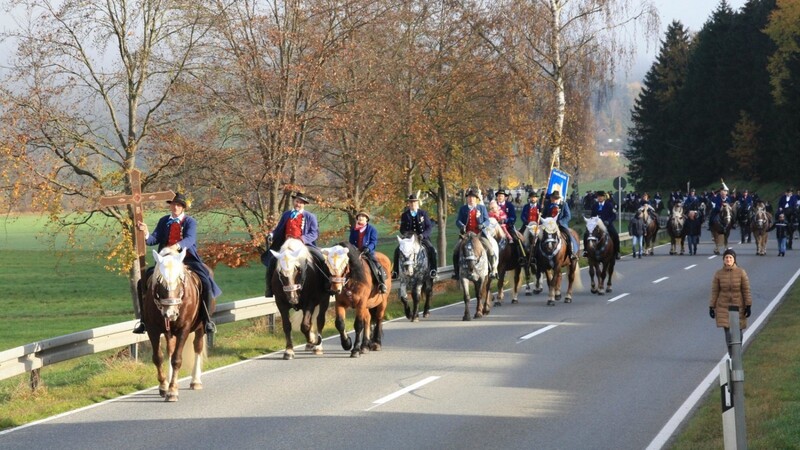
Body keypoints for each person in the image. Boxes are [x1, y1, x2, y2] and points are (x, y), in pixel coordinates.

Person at [134, 193, 222, 334]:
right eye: (173, 204)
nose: (175, 207)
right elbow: (153, 240)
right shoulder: (164, 221)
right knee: (142, 282)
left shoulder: (190, 222)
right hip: (166, 261)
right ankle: (144, 320)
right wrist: (145, 233)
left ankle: (206, 320)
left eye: (178, 205)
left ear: (183, 208)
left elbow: (190, 239)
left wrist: (177, 246)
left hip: (186, 259)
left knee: (205, 280)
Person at [261, 192, 321, 298]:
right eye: (297, 201)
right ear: (294, 201)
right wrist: (271, 234)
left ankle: (325, 284)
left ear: (304, 204)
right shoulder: (286, 214)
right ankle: (269, 288)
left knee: (320, 257)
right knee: (272, 262)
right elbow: (279, 229)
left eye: (301, 202)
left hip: (304, 245)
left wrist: (302, 239)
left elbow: (314, 233)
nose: (298, 204)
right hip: (286, 246)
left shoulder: (310, 216)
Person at [709, 248, 752, 357]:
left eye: (730, 258)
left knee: (738, 330)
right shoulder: (718, 274)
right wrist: (711, 306)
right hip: (723, 306)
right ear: (723, 260)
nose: (728, 259)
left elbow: (746, 289)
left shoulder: (741, 272)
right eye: (726, 258)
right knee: (727, 331)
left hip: (739, 305)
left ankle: (738, 351)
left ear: (734, 260)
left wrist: (748, 305)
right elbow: (715, 291)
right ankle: (732, 353)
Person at [452, 189, 498, 279]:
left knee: (490, 248)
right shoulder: (463, 209)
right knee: (456, 250)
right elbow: (458, 221)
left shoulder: (482, 208)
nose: (471, 199)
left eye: (473, 197)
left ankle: (493, 270)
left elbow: (487, 221)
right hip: (466, 235)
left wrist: (482, 225)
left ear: (476, 199)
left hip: (479, 234)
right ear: (467, 199)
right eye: (469, 197)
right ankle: (456, 272)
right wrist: (461, 226)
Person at [392, 194, 437, 279]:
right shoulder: (405, 215)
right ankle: (395, 271)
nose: (413, 204)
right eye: (411, 202)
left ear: (417, 203)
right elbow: (402, 229)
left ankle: (433, 270)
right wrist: (407, 235)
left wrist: (423, 235)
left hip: (421, 237)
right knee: (397, 250)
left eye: (414, 202)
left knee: (432, 249)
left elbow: (429, 227)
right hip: (409, 239)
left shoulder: (423, 213)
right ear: (408, 204)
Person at [349, 211, 387, 293]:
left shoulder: (372, 229)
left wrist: (368, 248)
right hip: (355, 252)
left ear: (367, 219)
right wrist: (354, 249)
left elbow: (373, 242)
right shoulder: (354, 229)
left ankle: (382, 283)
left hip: (367, 252)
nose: (361, 217)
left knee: (376, 265)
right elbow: (351, 242)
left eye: (363, 216)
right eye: (359, 216)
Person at [544, 190, 578, 261]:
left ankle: (571, 252)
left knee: (569, 236)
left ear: (559, 198)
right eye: (553, 198)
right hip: (550, 226)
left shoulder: (564, 204)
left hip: (561, 225)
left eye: (555, 199)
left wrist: (560, 222)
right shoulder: (548, 205)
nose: (554, 200)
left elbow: (568, 216)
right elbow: (545, 215)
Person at [590, 191, 621, 260]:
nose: (599, 198)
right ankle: (586, 251)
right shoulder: (595, 205)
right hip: (596, 225)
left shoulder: (609, 205)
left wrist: (608, 221)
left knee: (615, 235)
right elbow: (592, 215)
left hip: (607, 224)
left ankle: (617, 252)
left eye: (600, 197)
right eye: (598, 197)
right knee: (587, 235)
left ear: (604, 197)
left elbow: (614, 215)